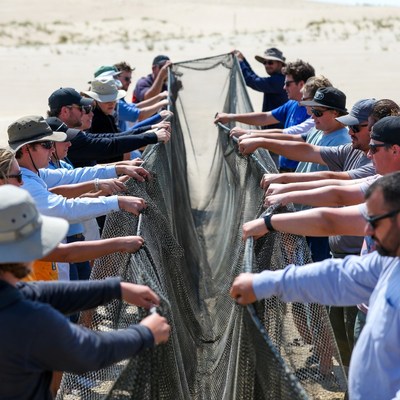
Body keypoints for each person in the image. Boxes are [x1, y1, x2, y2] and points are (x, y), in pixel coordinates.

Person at [231, 171, 400, 400]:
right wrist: (264, 283)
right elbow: (340, 277)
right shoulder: (389, 260)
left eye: (374, 220)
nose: (367, 231)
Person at [0, 184, 170, 400]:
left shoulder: (10, 298)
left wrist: (114, 288)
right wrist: (145, 334)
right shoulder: (28, 319)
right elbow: (88, 351)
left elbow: (38, 293)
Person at [7, 115, 149, 225]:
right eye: (46, 144)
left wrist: (118, 168)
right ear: (26, 149)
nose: (52, 148)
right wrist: (118, 202)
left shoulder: (33, 173)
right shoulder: (24, 183)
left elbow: (73, 175)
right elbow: (64, 209)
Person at [214, 59, 315, 172]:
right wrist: (231, 117)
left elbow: (291, 135)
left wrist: (250, 134)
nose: (284, 88)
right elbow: (265, 117)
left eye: (287, 84)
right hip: (284, 169)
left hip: (300, 172)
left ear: (301, 84)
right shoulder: (292, 104)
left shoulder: (314, 112)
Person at [47, 87, 171, 167]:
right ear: (64, 111)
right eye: (82, 108)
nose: (88, 113)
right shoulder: (66, 136)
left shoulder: (70, 132)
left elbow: (112, 137)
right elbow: (110, 145)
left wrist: (151, 129)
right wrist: (152, 136)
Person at [233, 48, 288, 124]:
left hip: (277, 129)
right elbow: (253, 78)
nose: (267, 65)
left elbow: (252, 81)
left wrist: (241, 61)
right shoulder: (281, 78)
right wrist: (242, 60)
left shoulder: (278, 81)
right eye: (265, 63)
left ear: (280, 64)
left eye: (270, 62)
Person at [113, 61, 171, 131]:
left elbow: (137, 106)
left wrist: (159, 96)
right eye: (127, 79)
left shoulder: (120, 99)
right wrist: (159, 113)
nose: (130, 82)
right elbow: (140, 115)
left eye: (130, 79)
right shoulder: (114, 101)